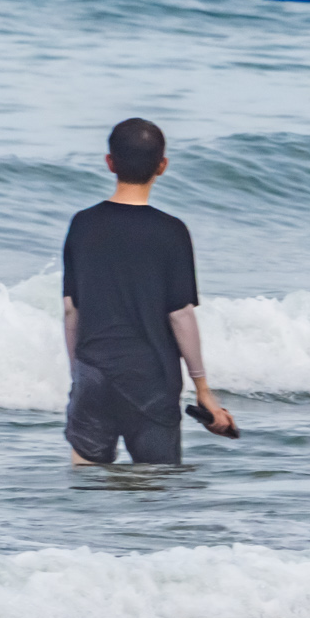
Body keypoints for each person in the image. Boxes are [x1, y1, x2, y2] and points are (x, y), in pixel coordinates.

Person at [62, 118, 235, 465]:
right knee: (157, 491)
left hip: (93, 372)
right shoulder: (171, 231)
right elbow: (180, 315)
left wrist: (79, 375)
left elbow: (71, 311)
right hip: (151, 379)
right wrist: (203, 390)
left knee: (86, 488)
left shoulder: (82, 224)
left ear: (110, 162)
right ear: (162, 166)